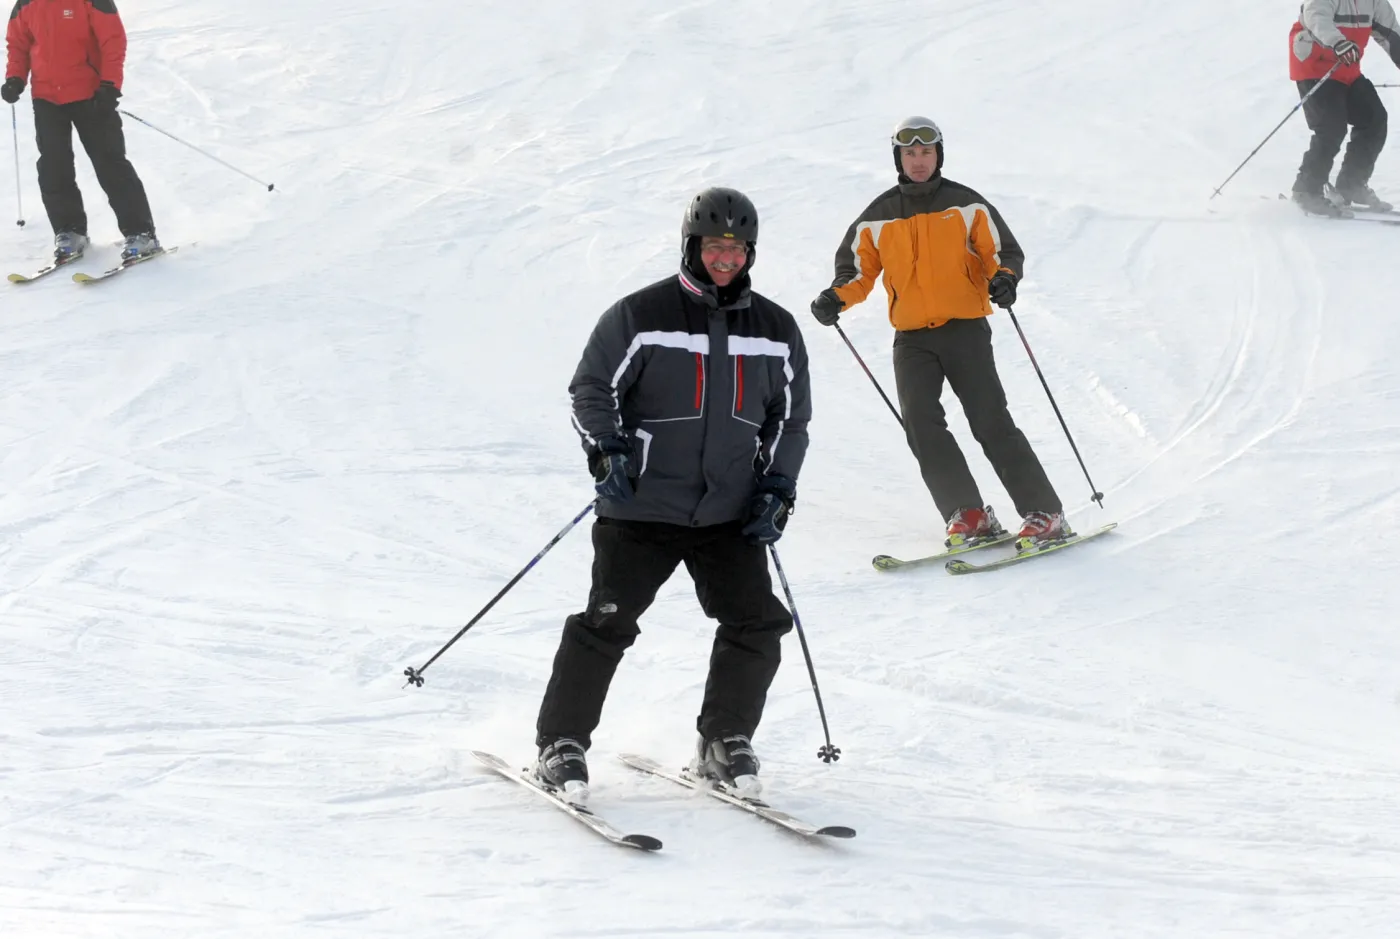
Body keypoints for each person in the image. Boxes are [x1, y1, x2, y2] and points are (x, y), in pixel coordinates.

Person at [533, 187, 812, 805]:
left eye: (737, 248)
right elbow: (592, 389)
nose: (725, 259)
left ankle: (724, 740)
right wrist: (607, 449)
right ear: (691, 246)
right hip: (641, 505)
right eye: (714, 246)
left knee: (757, 622)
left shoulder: (775, 329)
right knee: (606, 622)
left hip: (728, 512)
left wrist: (777, 488)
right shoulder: (641, 314)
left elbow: (790, 421)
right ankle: (561, 743)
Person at [810, 116, 1066, 549]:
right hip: (912, 338)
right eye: (909, 153)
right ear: (898, 158)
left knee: (989, 419)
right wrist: (836, 298)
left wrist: (1004, 278)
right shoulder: (877, 217)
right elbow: (856, 272)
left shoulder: (966, 205)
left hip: (964, 329)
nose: (918, 160)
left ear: (938, 155)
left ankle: (1045, 512)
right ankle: (968, 513)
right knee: (920, 424)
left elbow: (1002, 252)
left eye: (926, 152)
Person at [3, 0, 161, 263]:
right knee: (54, 166)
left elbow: (113, 40)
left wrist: (110, 85)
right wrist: (15, 78)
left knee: (109, 163)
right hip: (46, 97)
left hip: (91, 95)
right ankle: (70, 230)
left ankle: (141, 233)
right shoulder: (26, 4)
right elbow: (18, 43)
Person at [1289, 0, 1400, 216]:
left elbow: (1392, 36)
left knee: (1373, 119)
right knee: (1331, 127)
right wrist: (1338, 42)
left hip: (1347, 68)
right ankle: (1307, 190)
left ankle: (1352, 185)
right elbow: (1316, 17)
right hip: (1314, 66)